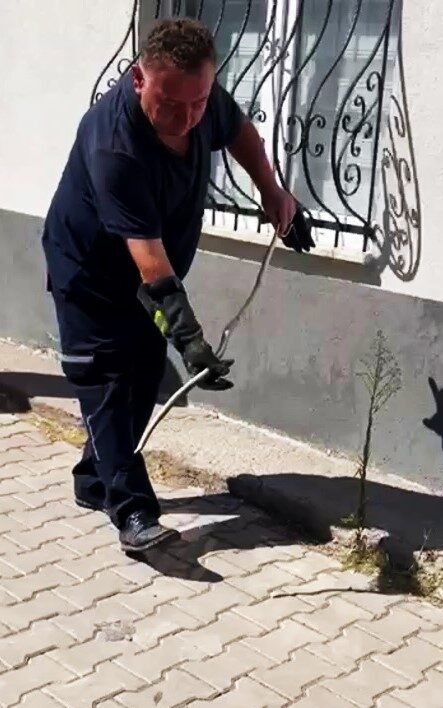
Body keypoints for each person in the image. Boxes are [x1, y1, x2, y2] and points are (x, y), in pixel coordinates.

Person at [41, 18, 314, 553]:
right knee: (103, 383)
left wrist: (272, 193)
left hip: (151, 272)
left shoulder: (197, 99)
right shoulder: (114, 145)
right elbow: (150, 262)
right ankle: (135, 512)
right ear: (139, 80)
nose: (189, 119)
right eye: (173, 105)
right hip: (90, 274)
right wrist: (189, 340)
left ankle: (95, 479)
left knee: (142, 376)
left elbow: (240, 132)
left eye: (199, 102)